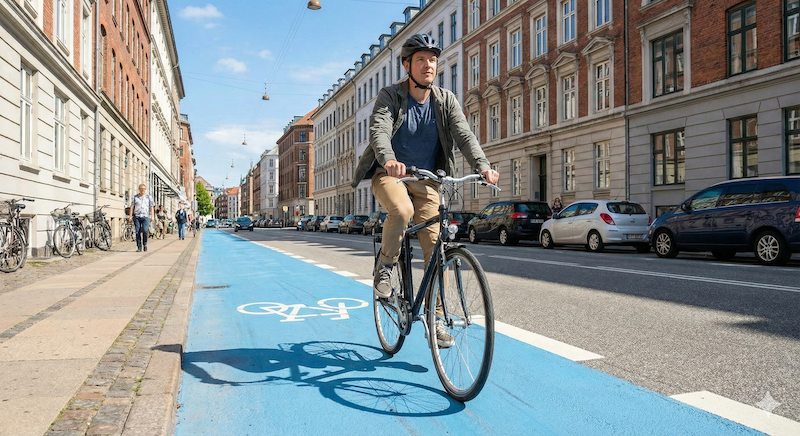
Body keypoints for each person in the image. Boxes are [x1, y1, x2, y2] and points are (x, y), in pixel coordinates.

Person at [351, 34, 499, 348]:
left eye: (432, 59)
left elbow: (464, 134)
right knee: (401, 211)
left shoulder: (445, 100)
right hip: (392, 175)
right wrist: (389, 159)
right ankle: (386, 268)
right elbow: (379, 128)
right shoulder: (390, 95)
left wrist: (483, 165)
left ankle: (437, 318)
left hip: (429, 179)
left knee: (436, 249)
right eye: (421, 59)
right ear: (408, 65)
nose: (428, 65)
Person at [129, 183, 155, 252]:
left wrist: (152, 216)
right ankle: (139, 247)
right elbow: (132, 207)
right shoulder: (135, 197)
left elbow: (152, 206)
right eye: (141, 189)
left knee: (145, 230)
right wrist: (130, 216)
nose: (142, 190)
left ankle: (145, 243)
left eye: (144, 189)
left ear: (145, 189)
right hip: (137, 216)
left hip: (145, 216)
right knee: (137, 232)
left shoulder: (148, 197)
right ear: (139, 189)